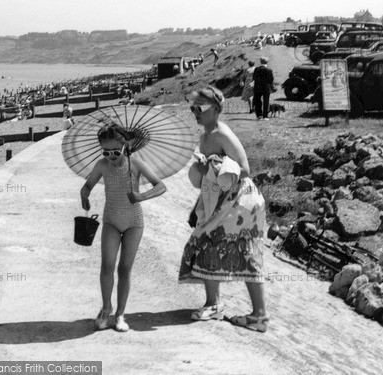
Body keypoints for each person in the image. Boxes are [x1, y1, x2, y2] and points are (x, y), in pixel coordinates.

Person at [179, 86, 269, 332]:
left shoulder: (221, 133)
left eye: (201, 107)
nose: (195, 112)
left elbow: (245, 169)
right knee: (208, 242)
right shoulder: (205, 135)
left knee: (245, 250)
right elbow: (211, 174)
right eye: (192, 107)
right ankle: (213, 304)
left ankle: (259, 315)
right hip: (219, 198)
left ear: (216, 110)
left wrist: (214, 162)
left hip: (240, 200)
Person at [80, 124, 167, 332]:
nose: (111, 156)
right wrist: (84, 195)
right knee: (107, 266)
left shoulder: (135, 164)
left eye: (115, 152)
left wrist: (141, 196)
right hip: (111, 219)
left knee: (124, 269)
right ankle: (105, 307)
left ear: (125, 146)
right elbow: (87, 185)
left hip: (133, 222)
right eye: (106, 152)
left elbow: (161, 186)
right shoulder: (102, 165)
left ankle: (120, 314)